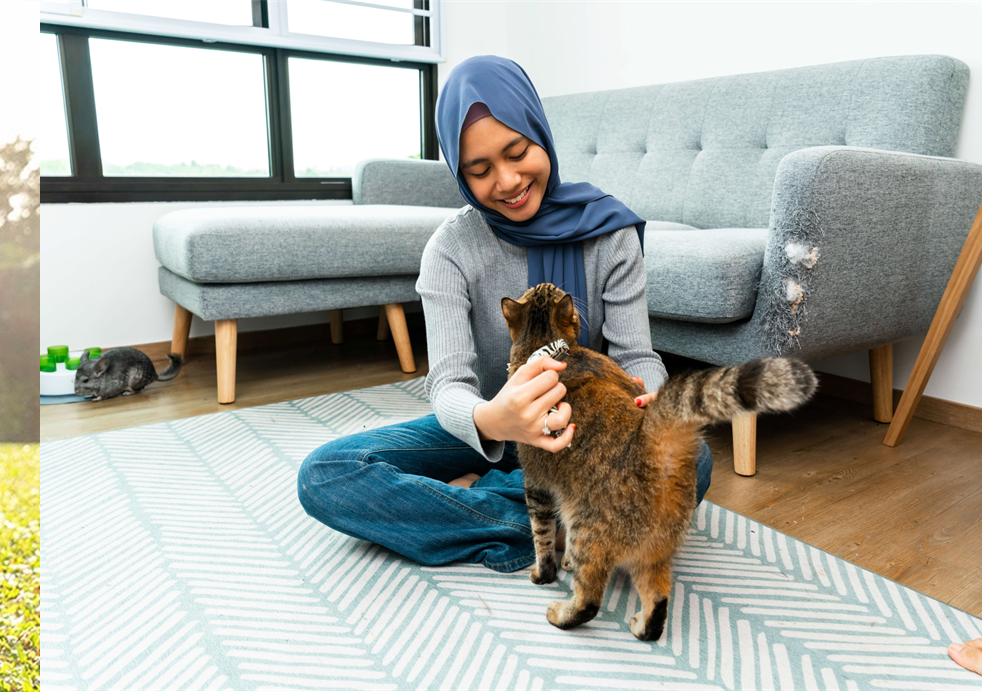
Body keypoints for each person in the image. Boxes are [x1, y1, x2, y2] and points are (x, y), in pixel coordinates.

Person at [296, 55, 713, 574]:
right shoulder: (450, 250)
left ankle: (493, 509)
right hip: (491, 429)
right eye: (480, 170)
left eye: (517, 152)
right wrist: (493, 419)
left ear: (539, 133)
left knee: (694, 457)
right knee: (328, 474)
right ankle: (554, 523)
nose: (509, 180)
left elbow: (637, 356)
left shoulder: (609, 232)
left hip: (590, 437)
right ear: (459, 173)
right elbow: (448, 385)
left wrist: (646, 402)